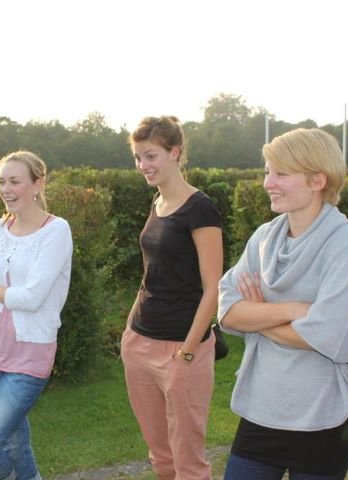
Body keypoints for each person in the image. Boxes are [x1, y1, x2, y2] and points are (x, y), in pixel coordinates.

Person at [217, 128, 348, 479]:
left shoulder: (347, 243)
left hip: (325, 417)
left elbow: (322, 334)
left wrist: (259, 315)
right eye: (267, 172)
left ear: (317, 180)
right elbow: (228, 313)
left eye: (281, 173)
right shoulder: (264, 239)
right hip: (262, 410)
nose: (268, 183)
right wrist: (294, 311)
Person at [121, 115, 224, 479]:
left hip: (181, 349)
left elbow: (213, 287)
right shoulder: (157, 203)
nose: (143, 165)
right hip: (139, 343)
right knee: (161, 457)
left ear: (175, 152)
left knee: (188, 462)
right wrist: (129, 334)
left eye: (150, 156)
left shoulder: (200, 209)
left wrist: (189, 352)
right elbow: (151, 274)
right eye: (138, 157)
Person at [0, 150, 73, 480]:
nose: (6, 189)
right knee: (14, 440)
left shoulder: (56, 231)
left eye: (15, 181)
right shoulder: (0, 227)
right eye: (2, 181)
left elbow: (32, 298)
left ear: (38, 184)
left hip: (29, 356)